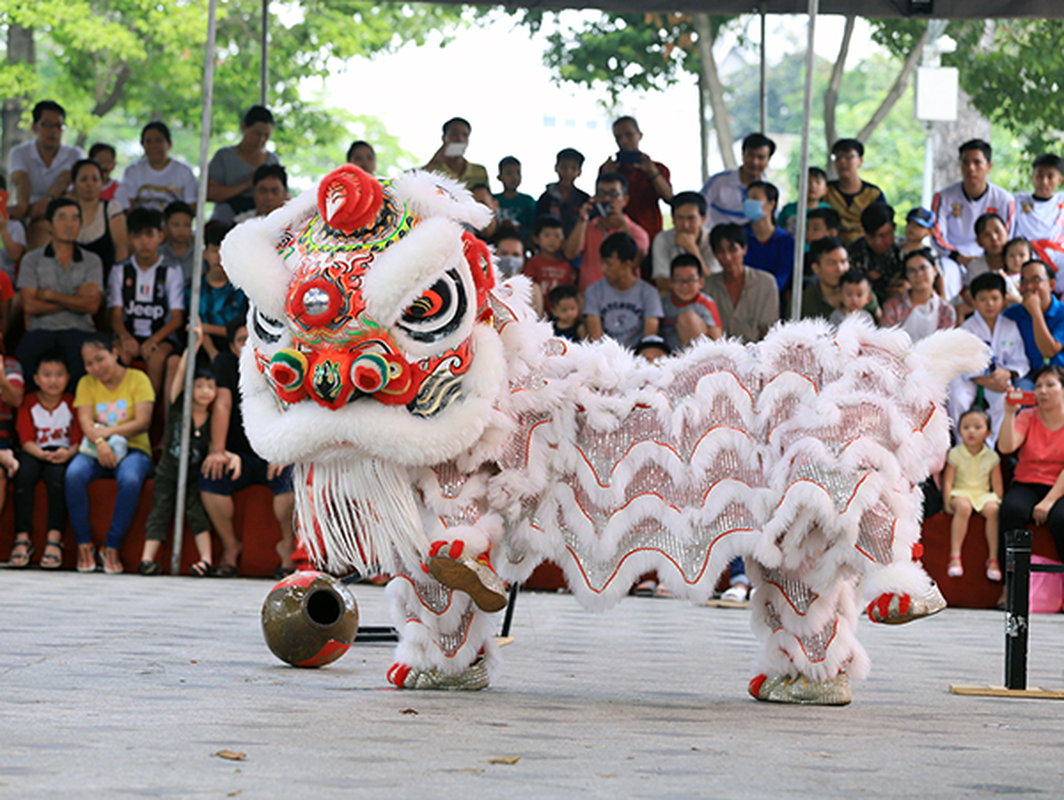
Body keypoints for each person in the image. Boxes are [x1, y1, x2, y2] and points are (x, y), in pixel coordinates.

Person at [138, 327, 238, 577]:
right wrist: (194, 344)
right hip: (169, 470)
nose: (206, 391)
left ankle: (205, 560)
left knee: (197, 512)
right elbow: (182, 373)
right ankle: (147, 559)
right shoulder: (178, 406)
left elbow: (222, 449)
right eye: (200, 386)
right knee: (160, 509)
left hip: (194, 472)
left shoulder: (213, 416)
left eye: (210, 387)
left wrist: (233, 456)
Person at [201, 320, 295, 578]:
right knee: (211, 474)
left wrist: (285, 453)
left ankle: (287, 548)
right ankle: (231, 547)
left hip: (273, 453)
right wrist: (218, 450)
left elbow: (289, 409)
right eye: (243, 339)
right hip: (237, 456)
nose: (250, 345)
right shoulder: (225, 363)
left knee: (290, 480)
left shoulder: (280, 363)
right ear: (232, 346)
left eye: (255, 338)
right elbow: (222, 404)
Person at [66, 332, 155, 574]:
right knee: (73, 474)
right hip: (95, 450)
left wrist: (105, 433)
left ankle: (112, 546)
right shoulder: (86, 383)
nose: (95, 367)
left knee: (131, 478)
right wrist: (102, 442)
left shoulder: (138, 379)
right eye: (89, 363)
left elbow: (142, 422)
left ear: (114, 352)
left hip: (134, 448)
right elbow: (85, 421)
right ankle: (84, 544)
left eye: (100, 358)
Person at [17, 198, 104, 392]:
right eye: (62, 218)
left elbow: (91, 306)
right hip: (41, 330)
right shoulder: (32, 260)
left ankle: (78, 415)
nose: (70, 224)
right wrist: (75, 298)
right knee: (27, 351)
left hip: (80, 330)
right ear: (49, 225)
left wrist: (50, 295)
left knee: (84, 355)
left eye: (75, 219)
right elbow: (30, 307)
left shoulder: (92, 261)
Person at [11, 351, 80, 569]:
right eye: (47, 375)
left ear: (68, 378)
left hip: (63, 453)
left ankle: (54, 539)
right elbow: (25, 438)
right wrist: (41, 454)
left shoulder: (72, 403)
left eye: (59, 375)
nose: (53, 380)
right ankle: (22, 538)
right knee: (24, 474)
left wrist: (67, 454)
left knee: (58, 479)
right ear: (37, 378)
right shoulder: (29, 402)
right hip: (34, 452)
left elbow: (78, 437)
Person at [109, 207, 185, 398]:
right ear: (129, 239)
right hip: (128, 333)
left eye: (149, 235)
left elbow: (177, 318)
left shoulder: (172, 270)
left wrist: (153, 340)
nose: (144, 242)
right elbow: (115, 314)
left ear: (160, 236)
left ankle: (148, 414)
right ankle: (121, 413)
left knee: (157, 357)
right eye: (138, 236)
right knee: (117, 355)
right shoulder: (120, 270)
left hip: (160, 336)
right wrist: (126, 338)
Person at [948, 272, 1028, 446]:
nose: (989, 304)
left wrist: (1006, 373)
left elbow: (1020, 361)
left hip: (998, 379)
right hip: (970, 378)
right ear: (974, 301)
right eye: (983, 299)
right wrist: (985, 380)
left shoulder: (1010, 326)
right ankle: (962, 446)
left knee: (1005, 399)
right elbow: (962, 363)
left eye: (994, 298)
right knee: (957, 396)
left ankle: (988, 446)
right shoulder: (967, 328)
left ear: (1004, 300)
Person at [931, 139, 1016, 302]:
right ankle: (949, 321)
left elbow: (1008, 236)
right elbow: (937, 236)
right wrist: (958, 257)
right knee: (946, 274)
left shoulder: (1004, 199)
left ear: (989, 166)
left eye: (977, 163)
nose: (971, 168)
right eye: (965, 163)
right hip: (953, 259)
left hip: (991, 258)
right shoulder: (943, 197)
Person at [998, 365, 1064, 566]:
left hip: (1059, 487)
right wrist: (1009, 413)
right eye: (1038, 386)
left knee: (1060, 519)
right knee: (1012, 510)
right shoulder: (1027, 416)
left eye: (1050, 385)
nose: (1042, 391)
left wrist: (1049, 500)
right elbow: (1006, 447)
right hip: (1027, 483)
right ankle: (1008, 582)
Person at [8, 100, 84, 249]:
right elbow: (22, 184)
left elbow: (62, 183)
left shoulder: (74, 154)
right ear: (34, 127)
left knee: (43, 226)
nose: (54, 131)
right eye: (47, 125)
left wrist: (27, 210)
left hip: (63, 211)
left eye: (59, 126)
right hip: (31, 215)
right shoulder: (19, 153)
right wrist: (24, 208)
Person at [942, 408, 1003, 581]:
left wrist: (998, 500)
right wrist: (947, 502)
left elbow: (997, 485)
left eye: (977, 427)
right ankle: (955, 556)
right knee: (963, 506)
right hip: (961, 492)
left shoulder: (992, 456)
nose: (971, 431)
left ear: (988, 432)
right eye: (966, 427)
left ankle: (993, 559)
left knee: (993, 509)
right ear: (959, 430)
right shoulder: (955, 453)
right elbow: (948, 481)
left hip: (983, 494)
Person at [564, 172, 650, 294]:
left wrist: (622, 226)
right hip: (590, 299)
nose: (607, 199)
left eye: (613, 194)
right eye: (602, 194)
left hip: (625, 301)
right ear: (594, 198)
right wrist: (582, 221)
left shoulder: (637, 232)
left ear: (625, 200)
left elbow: (635, 261)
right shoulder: (587, 227)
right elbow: (570, 254)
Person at [583, 232, 661, 349]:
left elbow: (649, 340)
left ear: (627, 264)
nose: (604, 269)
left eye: (609, 264)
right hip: (605, 356)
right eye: (602, 263)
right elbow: (595, 341)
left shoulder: (649, 293)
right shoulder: (593, 291)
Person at [598, 116, 672, 239]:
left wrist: (653, 173)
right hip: (616, 234)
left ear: (639, 135)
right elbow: (599, 202)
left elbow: (669, 198)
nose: (624, 141)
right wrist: (606, 177)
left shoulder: (657, 168)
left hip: (649, 234)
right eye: (618, 137)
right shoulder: (609, 169)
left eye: (629, 135)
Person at [704, 223, 778, 343]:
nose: (727, 257)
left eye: (732, 250)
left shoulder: (766, 283)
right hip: (719, 354)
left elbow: (769, 329)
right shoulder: (707, 287)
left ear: (744, 249)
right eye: (720, 251)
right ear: (715, 254)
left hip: (755, 354)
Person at [207, 105, 280, 224]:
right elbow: (208, 193)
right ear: (244, 127)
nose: (261, 140)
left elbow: (284, 196)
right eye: (257, 134)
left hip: (261, 225)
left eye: (266, 135)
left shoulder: (273, 160)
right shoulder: (224, 157)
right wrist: (246, 185)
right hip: (224, 223)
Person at [114, 121, 198, 214]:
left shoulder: (184, 172)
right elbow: (128, 206)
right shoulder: (133, 171)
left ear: (169, 144)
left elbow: (191, 207)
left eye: (158, 140)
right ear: (143, 145)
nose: (153, 146)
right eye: (148, 141)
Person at [1002, 259, 1064, 380]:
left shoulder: (1062, 313)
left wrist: (1035, 311)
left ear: (1051, 285)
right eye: (1024, 281)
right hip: (1024, 376)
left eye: (1036, 280)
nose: (1029, 287)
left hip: (1059, 377)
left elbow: (1049, 351)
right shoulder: (1011, 314)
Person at [699, 133, 776, 229]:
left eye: (761, 157)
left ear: (768, 160)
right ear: (743, 154)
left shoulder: (768, 190)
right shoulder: (718, 182)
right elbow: (697, 207)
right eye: (750, 155)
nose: (755, 162)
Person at [822, 138, 887, 244]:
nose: (842, 161)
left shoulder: (873, 194)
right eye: (837, 158)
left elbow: (882, 227)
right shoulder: (825, 192)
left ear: (860, 161)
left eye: (848, 157)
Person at [650, 191, 717, 294]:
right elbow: (661, 282)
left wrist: (693, 251)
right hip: (674, 297)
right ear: (673, 219)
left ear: (703, 219)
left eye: (691, 218)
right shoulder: (663, 239)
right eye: (680, 218)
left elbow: (715, 285)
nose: (685, 225)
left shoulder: (712, 239)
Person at [881, 248, 955, 340]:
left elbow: (946, 345)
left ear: (935, 270)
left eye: (923, 268)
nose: (918, 274)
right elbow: (887, 342)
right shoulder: (893, 306)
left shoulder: (946, 311)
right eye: (912, 270)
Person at [801, 237, 880, 322]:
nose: (840, 269)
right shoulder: (805, 301)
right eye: (831, 263)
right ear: (816, 268)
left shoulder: (861, 291)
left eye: (843, 262)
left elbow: (879, 322)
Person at [198, 222, 246, 360]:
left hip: (236, 349)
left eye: (223, 251)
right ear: (205, 253)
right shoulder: (195, 289)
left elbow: (241, 329)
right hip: (203, 348)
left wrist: (205, 327)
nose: (219, 257)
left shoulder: (241, 289)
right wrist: (213, 353)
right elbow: (194, 326)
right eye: (214, 251)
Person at [71, 158, 128, 274]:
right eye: (83, 179)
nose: (89, 184)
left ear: (102, 183)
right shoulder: (67, 211)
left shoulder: (112, 209)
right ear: (74, 184)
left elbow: (121, 250)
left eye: (95, 179)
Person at [1012, 153, 1064, 274]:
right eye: (1040, 175)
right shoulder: (1018, 201)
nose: (1044, 182)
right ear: (1032, 176)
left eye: (1050, 177)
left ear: (1059, 180)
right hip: (1025, 256)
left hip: (1057, 256)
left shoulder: (1062, 201)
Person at [660, 253, 722, 352]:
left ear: (701, 283)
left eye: (690, 280)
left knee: (687, 318)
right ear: (671, 282)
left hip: (696, 355)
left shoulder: (706, 303)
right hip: (668, 355)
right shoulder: (663, 303)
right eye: (679, 280)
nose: (684, 286)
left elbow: (717, 337)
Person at [742, 180, 795, 296]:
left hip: (771, 298)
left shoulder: (785, 241)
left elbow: (782, 276)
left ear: (771, 204)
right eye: (747, 198)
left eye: (755, 198)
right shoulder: (739, 235)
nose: (749, 202)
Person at [847, 203, 906, 303]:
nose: (878, 242)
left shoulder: (905, 249)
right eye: (871, 237)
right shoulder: (852, 252)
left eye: (883, 235)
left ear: (893, 228)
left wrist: (910, 289)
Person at [960, 212, 1011, 319]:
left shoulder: (1021, 261)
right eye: (986, 235)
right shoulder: (975, 267)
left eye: (998, 231)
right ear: (979, 241)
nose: (994, 238)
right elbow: (969, 295)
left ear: (1007, 232)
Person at [523, 215, 574, 316]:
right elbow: (529, 287)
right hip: (539, 313)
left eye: (557, 236)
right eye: (547, 235)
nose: (552, 240)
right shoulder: (533, 262)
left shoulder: (565, 265)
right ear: (536, 239)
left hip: (561, 315)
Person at [422, 117, 490, 193]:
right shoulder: (432, 171)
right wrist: (434, 162)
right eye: (454, 134)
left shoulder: (479, 171)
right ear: (444, 138)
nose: (460, 139)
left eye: (465, 135)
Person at [536, 148, 589, 238]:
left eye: (573, 168)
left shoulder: (584, 199)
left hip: (576, 248)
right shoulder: (546, 197)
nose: (568, 172)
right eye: (564, 167)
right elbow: (538, 225)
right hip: (550, 246)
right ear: (556, 168)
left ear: (579, 172)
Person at [778, 166, 829, 236]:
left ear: (825, 190)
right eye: (807, 182)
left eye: (818, 182)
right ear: (798, 186)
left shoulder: (827, 211)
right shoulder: (788, 210)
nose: (812, 186)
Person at [494, 156, 535, 235]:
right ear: (500, 177)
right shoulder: (493, 200)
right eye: (509, 173)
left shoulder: (528, 202)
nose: (514, 177)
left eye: (518, 173)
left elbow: (532, 229)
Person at [159, 201, 196, 284]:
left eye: (187, 225)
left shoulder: (199, 257)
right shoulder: (158, 254)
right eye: (176, 225)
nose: (181, 230)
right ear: (165, 227)